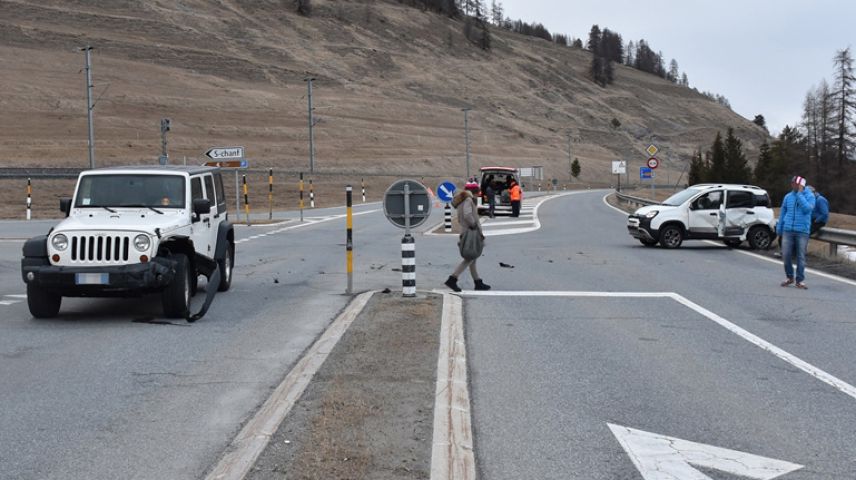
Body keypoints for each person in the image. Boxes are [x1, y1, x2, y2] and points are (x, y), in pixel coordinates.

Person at [444, 190, 490, 292]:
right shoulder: (468, 200)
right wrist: (473, 224)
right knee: (470, 258)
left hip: (465, 232)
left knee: (473, 259)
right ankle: (452, 279)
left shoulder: (461, 202)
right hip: (471, 232)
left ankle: (477, 282)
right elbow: (467, 214)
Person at [776, 175, 815, 289]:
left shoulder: (810, 196)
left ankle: (800, 280)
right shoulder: (788, 197)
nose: (793, 185)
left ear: (801, 185)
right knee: (786, 254)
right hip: (788, 230)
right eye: (792, 183)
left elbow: (807, 209)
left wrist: (799, 195)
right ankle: (789, 277)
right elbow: (783, 212)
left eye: (795, 184)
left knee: (800, 256)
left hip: (802, 231)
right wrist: (780, 227)